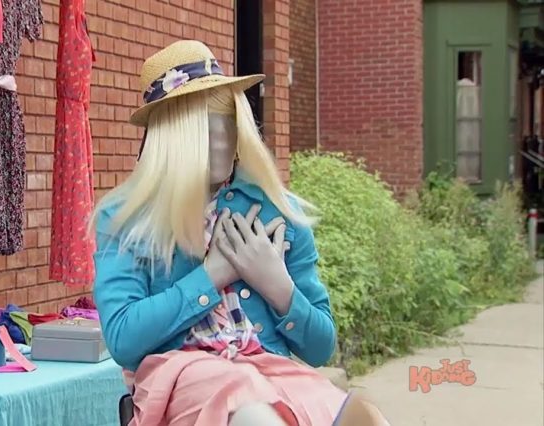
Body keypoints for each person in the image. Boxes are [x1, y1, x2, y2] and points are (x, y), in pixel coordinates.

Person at [91, 40, 389, 426]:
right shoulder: (127, 218)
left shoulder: (277, 212)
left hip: (269, 369)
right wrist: (214, 273)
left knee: (358, 415)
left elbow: (320, 349)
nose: (221, 140)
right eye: (204, 128)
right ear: (171, 138)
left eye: (229, 123)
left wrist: (277, 285)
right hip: (182, 373)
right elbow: (123, 340)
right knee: (250, 409)